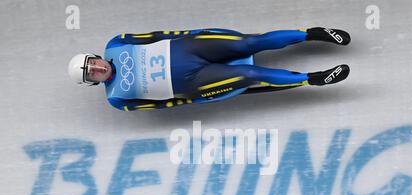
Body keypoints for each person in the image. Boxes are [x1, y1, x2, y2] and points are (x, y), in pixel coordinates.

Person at [68, 27, 351, 111]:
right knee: (249, 75)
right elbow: (161, 104)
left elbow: (155, 35)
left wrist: (191, 34)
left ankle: (313, 33)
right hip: (194, 81)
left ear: (96, 56)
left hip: (191, 47)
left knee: (252, 41)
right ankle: (313, 79)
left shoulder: (116, 43)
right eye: (90, 73)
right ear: (92, 81)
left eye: (92, 63)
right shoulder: (117, 98)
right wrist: (193, 99)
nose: (96, 68)